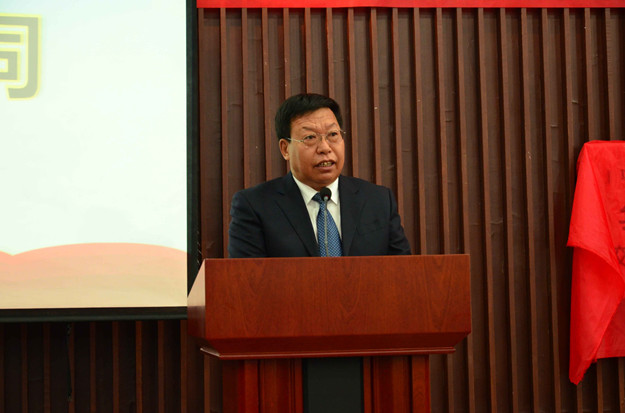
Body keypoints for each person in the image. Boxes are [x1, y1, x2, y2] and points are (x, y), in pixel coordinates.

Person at [228, 93, 411, 258]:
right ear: (285, 149)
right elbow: (248, 279)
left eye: (333, 134)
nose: (325, 147)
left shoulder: (378, 200)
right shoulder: (255, 206)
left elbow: (403, 272)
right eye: (310, 138)